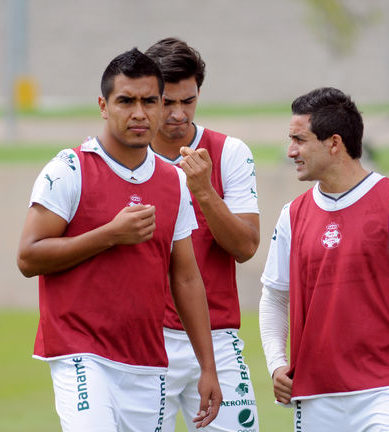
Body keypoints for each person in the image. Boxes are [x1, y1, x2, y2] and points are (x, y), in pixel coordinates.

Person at [16, 48, 221, 432]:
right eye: (126, 101)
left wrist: (206, 367)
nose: (139, 113)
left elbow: (187, 279)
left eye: (149, 101)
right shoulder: (70, 168)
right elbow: (28, 257)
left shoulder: (173, 181)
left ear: (161, 106)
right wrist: (110, 235)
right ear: (104, 106)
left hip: (146, 361)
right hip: (82, 354)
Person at [259, 87, 389, 432]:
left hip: (385, 391)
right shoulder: (292, 215)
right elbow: (274, 297)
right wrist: (276, 364)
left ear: (334, 143)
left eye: (299, 140)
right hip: (314, 397)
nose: (290, 151)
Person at [144, 38, 261, 432]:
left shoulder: (230, 153)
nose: (178, 114)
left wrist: (204, 190)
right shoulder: (126, 157)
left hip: (216, 337)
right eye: (167, 102)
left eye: (188, 101)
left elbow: (245, 246)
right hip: (144, 339)